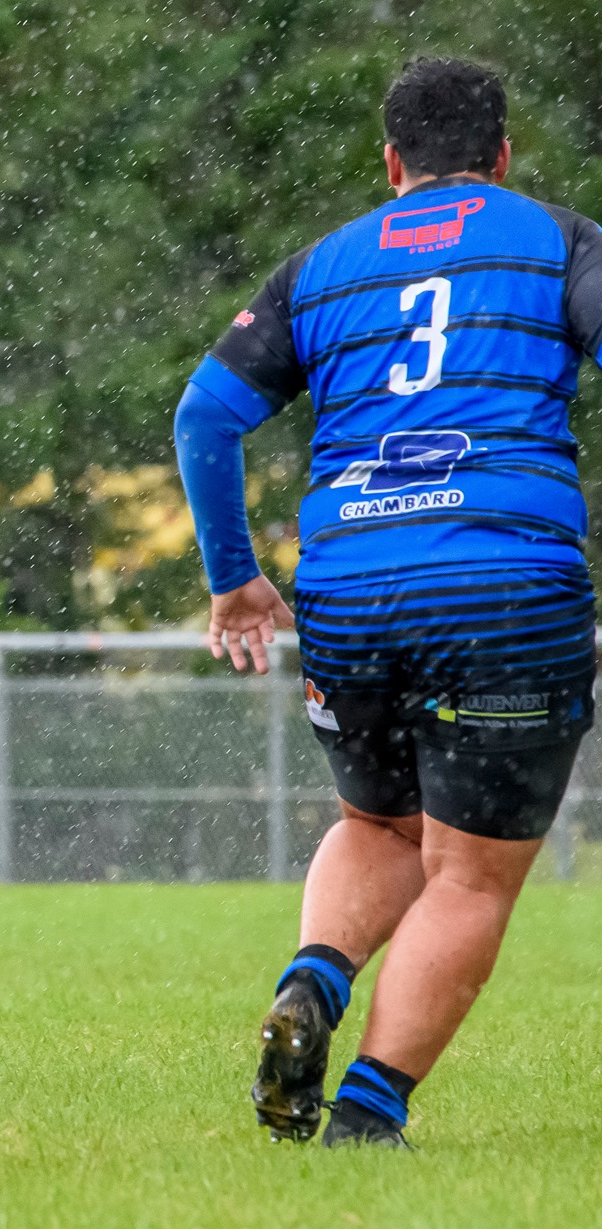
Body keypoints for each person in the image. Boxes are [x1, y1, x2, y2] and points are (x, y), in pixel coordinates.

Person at [174, 58, 599, 1147]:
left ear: (388, 160)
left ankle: (312, 981)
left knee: (378, 822)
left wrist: (233, 577)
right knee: (469, 871)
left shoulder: (320, 266)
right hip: (502, 588)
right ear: (501, 155)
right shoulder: (555, 238)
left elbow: (204, 418)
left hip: (350, 588)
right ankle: (367, 1112)